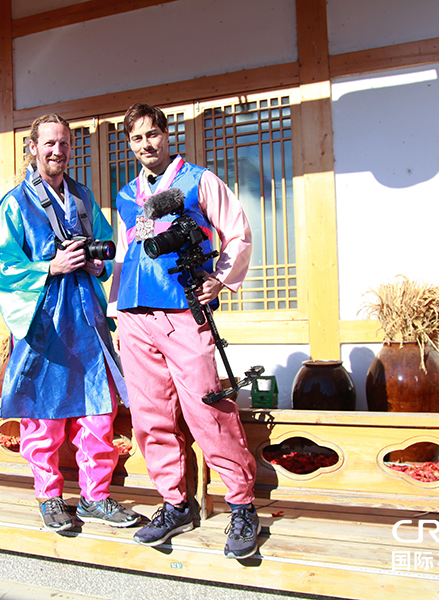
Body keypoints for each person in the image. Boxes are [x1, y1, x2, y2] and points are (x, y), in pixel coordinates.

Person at [108, 104, 260, 559]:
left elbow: (238, 232)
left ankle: (241, 504)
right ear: (129, 144)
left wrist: (221, 279)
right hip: (135, 315)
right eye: (137, 138)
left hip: (183, 310)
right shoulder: (127, 194)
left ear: (166, 133)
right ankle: (175, 503)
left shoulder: (199, 180)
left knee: (207, 406)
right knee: (150, 415)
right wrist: (116, 312)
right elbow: (127, 254)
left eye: (152, 134)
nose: (146, 144)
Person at [0, 113, 139, 534]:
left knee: (98, 412)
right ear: (33, 148)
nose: (58, 151)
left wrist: (94, 263)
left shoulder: (82, 198)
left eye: (64, 143)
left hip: (86, 318)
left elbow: (107, 247)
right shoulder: (15, 203)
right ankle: (49, 496)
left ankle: (95, 497)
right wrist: (49, 267)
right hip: (44, 322)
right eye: (49, 143)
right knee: (44, 415)